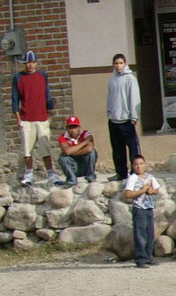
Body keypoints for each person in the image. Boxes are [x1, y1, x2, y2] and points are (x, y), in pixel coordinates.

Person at [11, 50, 58, 185]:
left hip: (42, 117)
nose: (30, 65)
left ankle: (50, 173)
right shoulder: (18, 78)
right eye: (27, 63)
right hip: (26, 118)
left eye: (32, 62)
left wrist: (50, 111)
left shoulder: (43, 75)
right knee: (27, 149)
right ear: (23, 64)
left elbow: (46, 93)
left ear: (36, 63)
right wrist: (18, 118)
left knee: (45, 147)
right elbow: (15, 99)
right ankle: (29, 174)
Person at [105, 53, 142, 181]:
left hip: (127, 120)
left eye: (120, 63)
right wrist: (109, 113)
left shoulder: (130, 78)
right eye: (116, 63)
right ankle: (121, 173)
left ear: (125, 64)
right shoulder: (112, 80)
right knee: (117, 149)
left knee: (132, 148)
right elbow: (110, 98)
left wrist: (134, 116)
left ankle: (135, 172)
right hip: (114, 120)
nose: (118, 66)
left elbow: (134, 97)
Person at [123, 154, 162, 268]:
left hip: (149, 208)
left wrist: (151, 191)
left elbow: (157, 190)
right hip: (139, 209)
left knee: (150, 234)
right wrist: (141, 191)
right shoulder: (133, 178)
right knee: (140, 235)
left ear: (144, 165)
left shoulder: (149, 177)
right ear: (133, 166)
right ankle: (140, 259)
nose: (138, 166)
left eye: (141, 164)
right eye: (136, 164)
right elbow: (128, 194)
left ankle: (148, 257)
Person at [56, 116, 97, 186]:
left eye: (75, 127)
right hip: (73, 166)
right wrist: (84, 143)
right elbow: (67, 151)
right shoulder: (62, 137)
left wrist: (71, 151)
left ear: (79, 127)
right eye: (70, 127)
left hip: (85, 163)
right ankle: (72, 179)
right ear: (67, 128)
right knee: (62, 158)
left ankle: (90, 176)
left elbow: (89, 148)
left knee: (92, 153)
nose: (73, 130)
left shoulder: (86, 133)